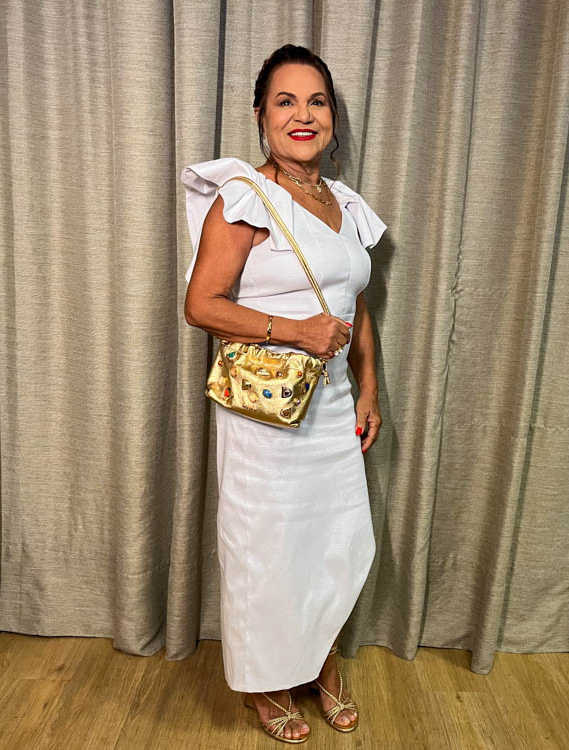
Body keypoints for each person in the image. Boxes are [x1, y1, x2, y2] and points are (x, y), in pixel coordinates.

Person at [181, 44, 386, 744]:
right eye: (286, 101)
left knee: (333, 540)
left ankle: (321, 662)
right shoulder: (244, 197)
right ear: (261, 115)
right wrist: (296, 330)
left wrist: (368, 390)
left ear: (333, 117)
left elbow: (355, 306)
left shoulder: (346, 205)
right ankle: (268, 683)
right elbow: (201, 305)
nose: (304, 115)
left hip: (331, 406)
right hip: (266, 413)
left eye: (317, 101)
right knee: (267, 547)